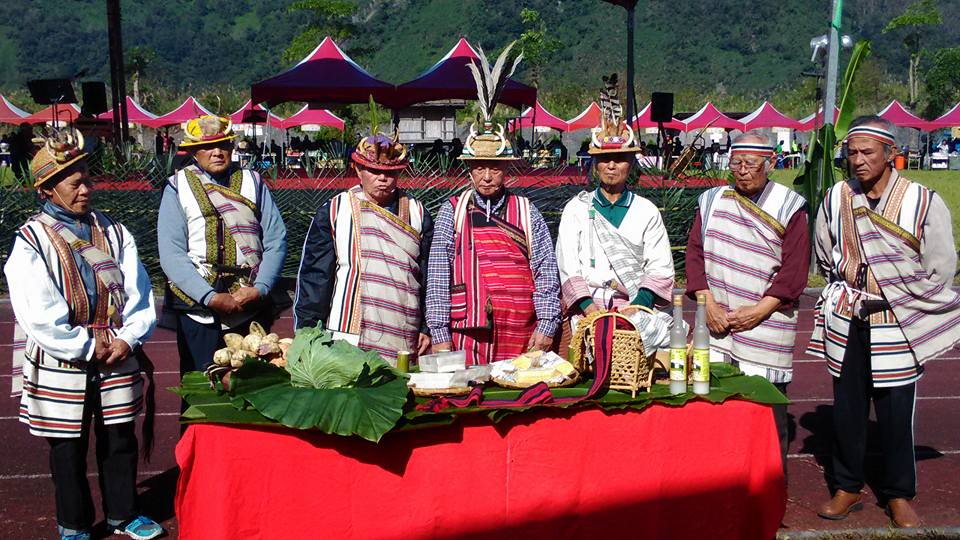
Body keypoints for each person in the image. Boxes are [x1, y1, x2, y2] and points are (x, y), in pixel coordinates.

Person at [4, 129, 163, 540]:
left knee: (118, 437)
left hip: (117, 347)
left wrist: (129, 338)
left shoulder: (114, 232)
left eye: (88, 179)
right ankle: (73, 525)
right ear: (48, 190)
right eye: (75, 183)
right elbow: (37, 309)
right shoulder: (31, 241)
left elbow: (138, 290)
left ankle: (123, 515)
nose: (86, 189)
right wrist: (86, 345)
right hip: (64, 356)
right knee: (66, 446)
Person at [809, 117, 959, 528]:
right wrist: (851, 285)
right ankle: (847, 487)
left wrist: (907, 298)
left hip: (899, 319)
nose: (857, 161)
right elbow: (825, 250)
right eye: (851, 152)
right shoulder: (836, 197)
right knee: (848, 408)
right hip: (849, 315)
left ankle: (897, 494)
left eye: (867, 153)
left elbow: (941, 264)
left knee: (896, 412)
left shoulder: (922, 200)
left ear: (891, 154)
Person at [426, 41, 560, 364]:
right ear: (469, 168)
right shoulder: (453, 212)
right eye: (479, 167)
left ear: (506, 168)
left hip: (521, 339)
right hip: (464, 341)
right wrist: (440, 335)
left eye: (494, 167)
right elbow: (438, 276)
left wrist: (546, 325)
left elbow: (546, 272)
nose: (487, 175)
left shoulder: (527, 213)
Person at [685, 131, 809, 476]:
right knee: (716, 405)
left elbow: (795, 270)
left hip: (768, 323)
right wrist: (706, 302)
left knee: (767, 412)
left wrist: (759, 311)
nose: (742, 171)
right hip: (716, 319)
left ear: (770, 164)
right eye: (736, 163)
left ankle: (769, 485)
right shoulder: (711, 201)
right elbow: (694, 255)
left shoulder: (789, 206)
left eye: (751, 164)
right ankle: (716, 480)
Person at [157, 114, 287, 375]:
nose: (217, 152)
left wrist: (260, 288)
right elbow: (171, 253)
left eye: (224, 145)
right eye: (207, 147)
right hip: (199, 307)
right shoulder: (178, 187)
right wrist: (210, 296)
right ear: (194, 152)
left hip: (249, 302)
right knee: (201, 387)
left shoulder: (254, 182)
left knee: (253, 385)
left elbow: (276, 239)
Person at [294, 125, 434, 362]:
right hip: (347, 335)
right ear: (357, 169)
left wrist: (427, 327)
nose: (382, 178)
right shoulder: (335, 211)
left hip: (404, 330)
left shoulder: (418, 212)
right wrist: (307, 333)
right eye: (373, 170)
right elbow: (316, 276)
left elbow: (430, 275)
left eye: (391, 172)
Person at [556, 75, 675, 336]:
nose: (611, 165)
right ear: (595, 164)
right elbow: (568, 266)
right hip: (587, 314)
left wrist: (635, 309)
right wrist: (590, 310)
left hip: (636, 314)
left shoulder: (647, 211)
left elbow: (659, 266)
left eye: (619, 159)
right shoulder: (576, 210)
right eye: (605, 159)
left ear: (631, 163)